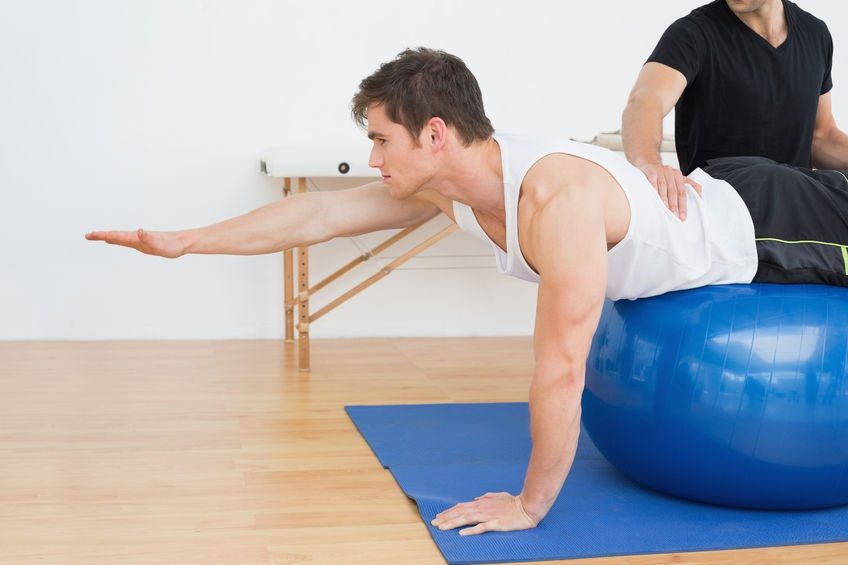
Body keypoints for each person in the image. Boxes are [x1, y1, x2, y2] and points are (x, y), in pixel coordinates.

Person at [86, 47, 848, 535]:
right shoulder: (456, 184)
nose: (373, 157)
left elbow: (560, 368)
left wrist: (530, 505)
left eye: (382, 139)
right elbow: (319, 211)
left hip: (769, 225)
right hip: (735, 190)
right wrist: (189, 240)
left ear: (436, 134)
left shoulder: (557, 202)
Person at [622, 0, 848, 221]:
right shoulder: (692, 33)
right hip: (725, 217)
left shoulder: (815, 34)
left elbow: (822, 137)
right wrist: (649, 164)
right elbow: (646, 100)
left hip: (794, 220)